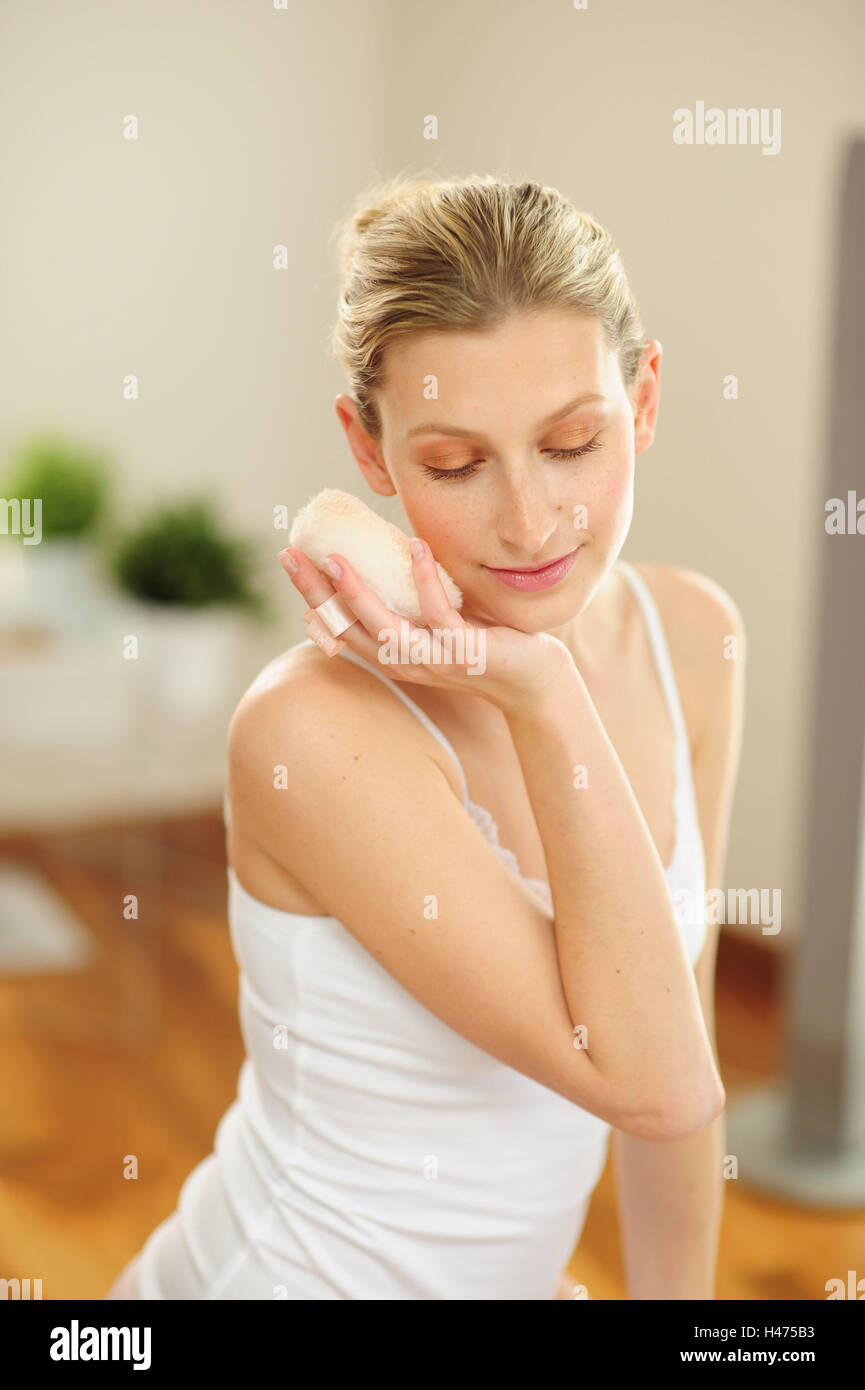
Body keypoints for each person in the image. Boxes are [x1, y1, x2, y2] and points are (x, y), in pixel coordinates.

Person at [105, 173, 744, 1301]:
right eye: (453, 464)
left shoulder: (689, 638)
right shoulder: (310, 729)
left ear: (642, 403)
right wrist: (540, 693)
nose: (528, 518)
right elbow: (652, 1084)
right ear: (369, 449)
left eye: (572, 442)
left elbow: (674, 1048)